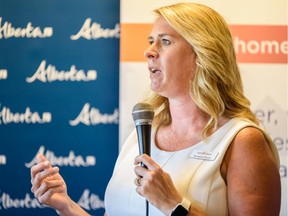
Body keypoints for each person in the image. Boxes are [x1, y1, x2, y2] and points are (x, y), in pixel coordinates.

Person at [30, 2, 281, 216]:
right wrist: (66, 206)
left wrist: (174, 205)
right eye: (151, 41)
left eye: (165, 41)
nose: (149, 51)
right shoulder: (142, 133)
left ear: (202, 54)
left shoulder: (242, 141)